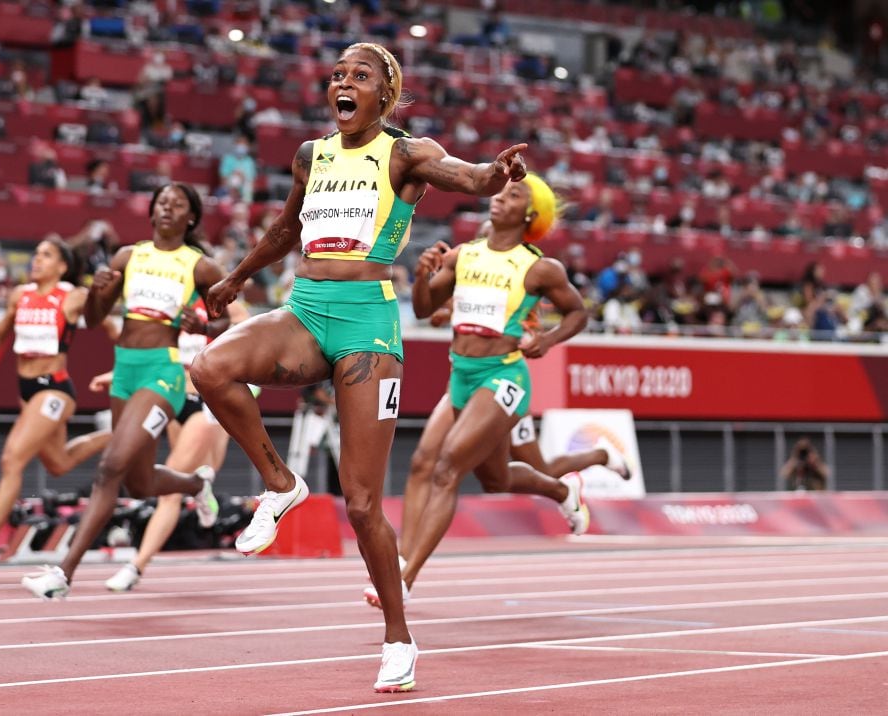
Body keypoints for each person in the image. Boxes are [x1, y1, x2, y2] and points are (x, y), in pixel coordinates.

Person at [189, 41, 529, 693]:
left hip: (368, 326)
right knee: (211, 368)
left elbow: (465, 175)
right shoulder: (310, 155)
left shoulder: (406, 152)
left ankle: (399, 639)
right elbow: (287, 229)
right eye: (337, 74)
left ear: (386, 93)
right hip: (304, 309)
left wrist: (494, 175)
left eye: (361, 75)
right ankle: (280, 483)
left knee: (364, 502)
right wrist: (235, 278)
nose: (343, 82)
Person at [20, 183, 224, 599]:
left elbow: (226, 323)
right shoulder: (128, 256)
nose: (167, 208)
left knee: (109, 467)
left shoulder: (201, 267)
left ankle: (63, 574)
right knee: (139, 483)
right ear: (151, 212)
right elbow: (93, 320)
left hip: (162, 374)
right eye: (161, 202)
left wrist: (202, 327)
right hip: (125, 372)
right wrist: (98, 291)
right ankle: (195, 486)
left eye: (177, 204)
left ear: (190, 218)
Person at [400, 174, 590, 604]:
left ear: (530, 215)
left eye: (514, 194)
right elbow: (424, 307)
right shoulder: (464, 255)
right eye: (499, 192)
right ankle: (563, 489)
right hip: (461, 374)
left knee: (447, 466)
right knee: (488, 477)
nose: (500, 198)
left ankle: (404, 575)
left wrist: (547, 339)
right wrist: (420, 275)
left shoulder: (540, 267)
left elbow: (578, 313)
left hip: (503, 376)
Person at [0, 237, 112, 565]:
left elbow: (104, 321)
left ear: (62, 266)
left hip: (55, 389)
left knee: (11, 459)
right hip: (27, 388)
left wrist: (126, 353)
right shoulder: (19, 296)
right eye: (35, 254)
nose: (36, 260)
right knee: (59, 463)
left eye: (46, 255)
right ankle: (115, 433)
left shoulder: (72, 296)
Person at [102, 298, 251, 592]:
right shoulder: (166, 302)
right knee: (178, 475)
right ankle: (198, 485)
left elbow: (250, 339)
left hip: (205, 401)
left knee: (174, 484)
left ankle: (135, 566)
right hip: (172, 395)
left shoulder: (221, 303)